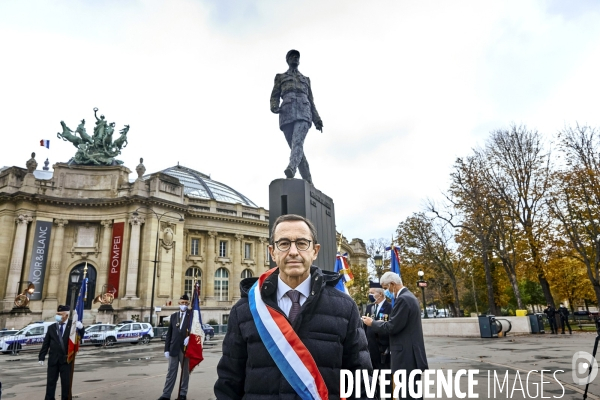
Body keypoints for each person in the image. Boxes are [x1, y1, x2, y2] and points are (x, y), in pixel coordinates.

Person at [214, 214, 372, 399]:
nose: (293, 251)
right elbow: (229, 383)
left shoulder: (345, 308)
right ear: (272, 252)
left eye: (302, 243)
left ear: (315, 251)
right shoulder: (244, 310)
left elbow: (360, 382)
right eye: (284, 243)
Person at [362, 272, 428, 400]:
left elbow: (392, 327)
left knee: (407, 394)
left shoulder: (403, 299)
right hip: (410, 355)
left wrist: (372, 323)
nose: (386, 292)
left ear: (392, 284)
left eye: (386, 288)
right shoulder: (409, 297)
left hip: (406, 356)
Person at [270, 49, 323, 185]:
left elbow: (311, 100)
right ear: (287, 60)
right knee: (296, 148)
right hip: (286, 113)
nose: (295, 58)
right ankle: (309, 181)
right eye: (292, 56)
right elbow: (274, 95)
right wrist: (274, 106)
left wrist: (316, 119)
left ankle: (291, 168)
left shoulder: (306, 80)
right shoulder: (280, 77)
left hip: (304, 113)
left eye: (297, 57)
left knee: (297, 143)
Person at [38, 305, 85, 400]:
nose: (57, 316)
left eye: (60, 314)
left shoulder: (72, 325)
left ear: (66, 315)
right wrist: (41, 356)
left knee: (66, 383)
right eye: (57, 314)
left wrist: (81, 328)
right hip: (53, 360)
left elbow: (80, 336)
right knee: (51, 382)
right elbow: (46, 343)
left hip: (66, 359)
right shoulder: (52, 327)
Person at [158, 294, 192, 400]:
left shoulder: (192, 316)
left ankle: (182, 394)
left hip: (185, 349)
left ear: (188, 304)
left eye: (186, 303)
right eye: (182, 303)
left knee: (185, 373)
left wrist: (190, 337)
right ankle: (166, 394)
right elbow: (169, 334)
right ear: (179, 303)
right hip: (173, 348)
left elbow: (197, 330)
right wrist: (166, 349)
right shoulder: (174, 316)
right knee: (171, 372)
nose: (184, 305)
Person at [364, 281, 392, 370]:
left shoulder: (390, 307)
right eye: (369, 293)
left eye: (372, 293)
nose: (370, 295)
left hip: (383, 350)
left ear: (380, 294)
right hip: (370, 349)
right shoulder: (369, 308)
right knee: (372, 379)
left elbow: (391, 327)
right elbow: (365, 328)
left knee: (386, 380)